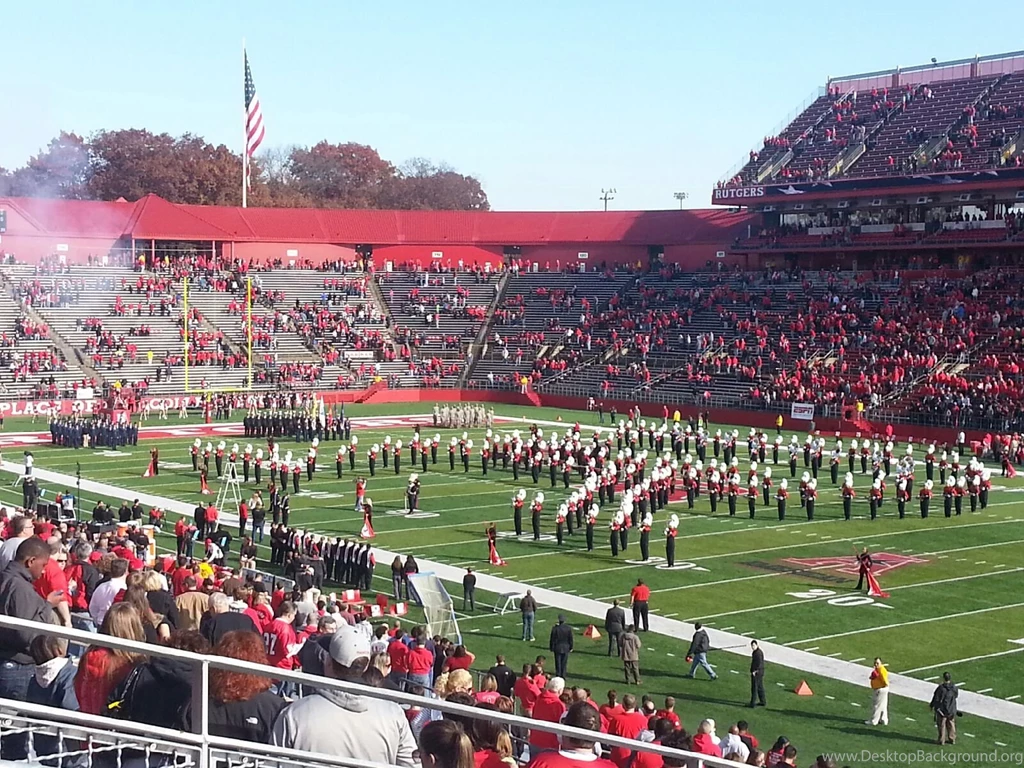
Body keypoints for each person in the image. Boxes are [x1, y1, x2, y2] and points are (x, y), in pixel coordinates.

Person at [271, 624, 417, 766]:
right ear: (366, 667)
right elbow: (412, 764)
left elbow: (273, 764)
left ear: (328, 663)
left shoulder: (294, 715)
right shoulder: (393, 714)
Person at [0, 537, 62, 760]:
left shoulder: (9, 579)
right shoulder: (20, 587)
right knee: (15, 739)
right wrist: (47, 606)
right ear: (30, 561)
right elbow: (26, 633)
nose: (44, 571)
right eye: (43, 565)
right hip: (16, 667)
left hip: (9, 665)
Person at [75, 602, 147, 715]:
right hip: (114, 728)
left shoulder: (89, 656)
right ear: (134, 629)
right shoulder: (132, 665)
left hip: (87, 723)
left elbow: (79, 690)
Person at [608, 694, 649, 767]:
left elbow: (610, 738)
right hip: (635, 757)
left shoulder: (616, 719)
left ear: (623, 705)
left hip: (619, 756)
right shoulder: (644, 720)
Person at [528, 676, 566, 753]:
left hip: (535, 739)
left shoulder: (540, 698)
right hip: (550, 743)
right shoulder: (558, 705)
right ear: (560, 690)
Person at [930, 671, 959, 745]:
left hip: (942, 710)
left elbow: (936, 698)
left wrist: (932, 705)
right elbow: (956, 696)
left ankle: (941, 740)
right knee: (951, 724)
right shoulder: (954, 687)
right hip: (951, 709)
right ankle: (952, 738)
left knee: (942, 725)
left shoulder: (941, 688)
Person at [548, 614, 574, 679]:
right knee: (564, 663)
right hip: (566, 647)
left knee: (558, 662)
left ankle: (558, 674)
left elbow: (552, 639)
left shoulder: (555, 629)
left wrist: (551, 647)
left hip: (557, 647)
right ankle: (563, 675)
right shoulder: (568, 628)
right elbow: (570, 639)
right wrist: (571, 647)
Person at [866, 657, 889, 726]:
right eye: (875, 663)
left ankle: (874, 721)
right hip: (882, 689)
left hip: (880, 689)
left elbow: (885, 681)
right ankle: (883, 719)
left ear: (881, 663)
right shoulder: (878, 670)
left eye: (877, 663)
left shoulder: (881, 670)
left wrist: (881, 687)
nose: (876, 664)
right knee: (883, 705)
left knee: (877, 706)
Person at [749, 640, 766, 708]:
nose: (752, 647)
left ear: (757, 645)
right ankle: (763, 701)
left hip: (757, 673)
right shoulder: (757, 652)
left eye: (753, 645)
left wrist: (755, 671)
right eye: (752, 646)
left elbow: (758, 664)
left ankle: (752, 703)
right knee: (760, 687)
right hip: (760, 672)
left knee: (754, 688)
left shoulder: (757, 653)